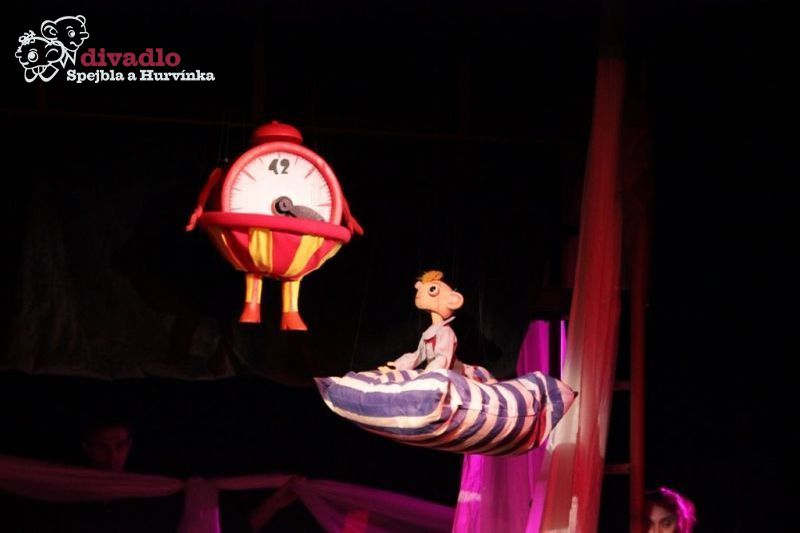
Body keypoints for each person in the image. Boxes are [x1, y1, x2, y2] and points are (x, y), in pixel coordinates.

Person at [382, 270, 465, 373]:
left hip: (450, 371)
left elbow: (443, 359)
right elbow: (418, 355)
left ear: (452, 300)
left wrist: (428, 373)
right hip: (433, 370)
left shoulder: (445, 332)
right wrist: (398, 366)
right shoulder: (429, 332)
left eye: (432, 289)